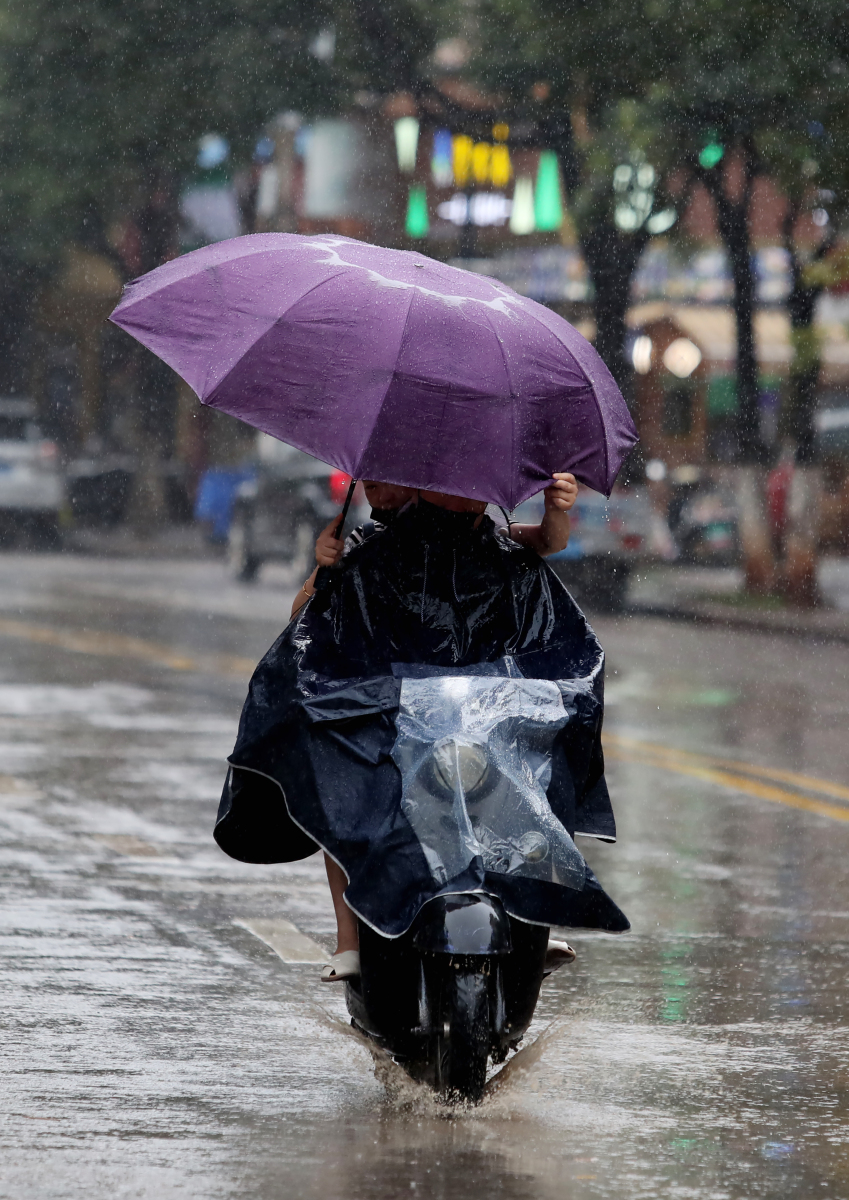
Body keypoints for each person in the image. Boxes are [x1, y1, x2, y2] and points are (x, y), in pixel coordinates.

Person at [215, 475, 628, 983]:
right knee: (338, 763)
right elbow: (306, 630)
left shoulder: (497, 547)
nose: (380, 490)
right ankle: (352, 940)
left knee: (543, 751)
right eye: (374, 479)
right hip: (389, 712)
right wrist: (322, 570)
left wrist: (557, 511)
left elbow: (546, 544)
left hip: (478, 713)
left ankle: (532, 916)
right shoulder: (365, 554)